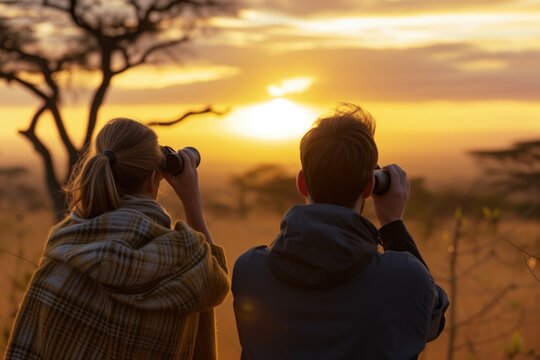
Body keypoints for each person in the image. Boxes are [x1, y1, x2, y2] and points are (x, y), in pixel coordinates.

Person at [232, 104, 449, 360]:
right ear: (369, 187)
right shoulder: (406, 279)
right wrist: (392, 224)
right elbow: (431, 317)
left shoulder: (249, 271)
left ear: (302, 182)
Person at [5, 118, 230, 360]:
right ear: (153, 179)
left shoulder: (62, 252)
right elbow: (216, 279)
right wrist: (192, 201)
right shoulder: (187, 263)